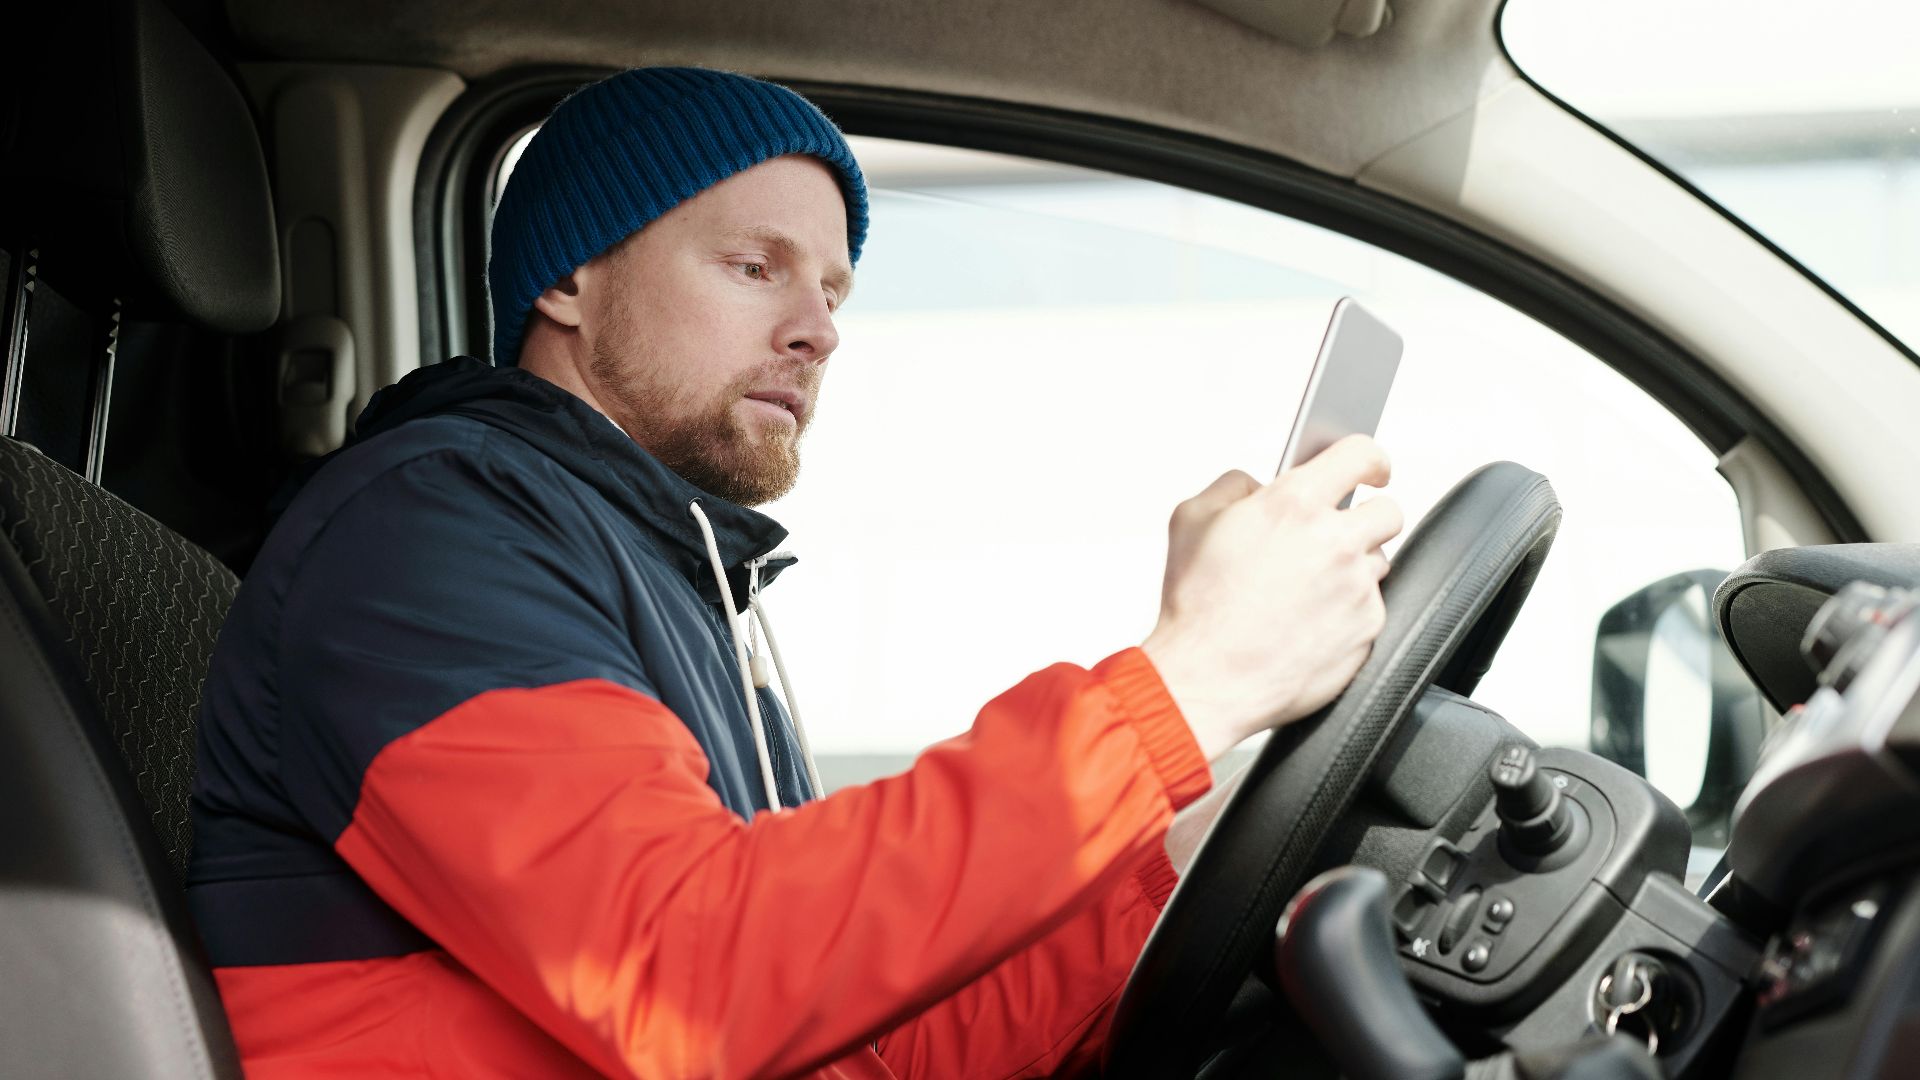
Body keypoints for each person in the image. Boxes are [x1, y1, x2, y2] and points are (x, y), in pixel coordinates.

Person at [187, 66, 1402, 1078]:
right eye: (755, 267)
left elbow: (848, 1041)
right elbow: (685, 976)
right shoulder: (427, 536)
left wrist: (1173, 862)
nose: (818, 327)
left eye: (832, 288)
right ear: (570, 280)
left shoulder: (670, 578)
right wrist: (1186, 687)